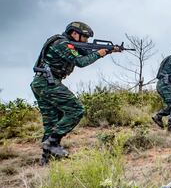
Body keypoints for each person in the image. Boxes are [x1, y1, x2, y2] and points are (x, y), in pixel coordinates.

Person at [31, 21, 120, 165]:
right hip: (47, 83)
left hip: (42, 83)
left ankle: (46, 159)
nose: (86, 40)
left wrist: (109, 50)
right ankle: (52, 143)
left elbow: (86, 51)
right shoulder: (62, 44)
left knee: (52, 121)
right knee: (76, 110)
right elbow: (81, 61)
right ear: (74, 33)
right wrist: (99, 54)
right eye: (84, 37)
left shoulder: (68, 44)